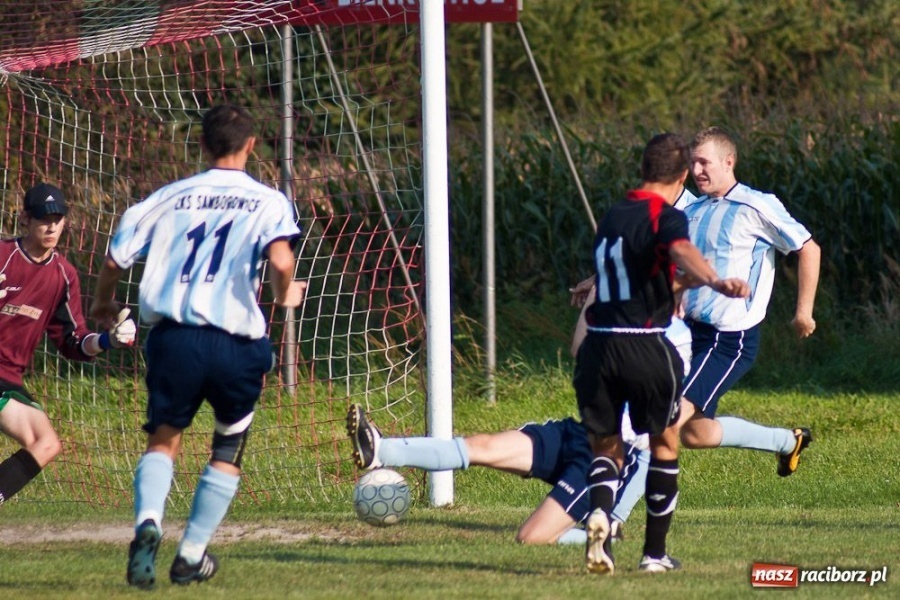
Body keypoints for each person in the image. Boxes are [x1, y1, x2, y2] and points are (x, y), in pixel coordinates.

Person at [90, 104, 305, 589]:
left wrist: (103, 305)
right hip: (235, 343)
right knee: (228, 444)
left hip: (175, 339)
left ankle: (148, 522)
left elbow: (113, 259)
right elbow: (280, 257)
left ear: (202, 145)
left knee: (164, 438)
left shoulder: (166, 198)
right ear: (251, 146)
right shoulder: (268, 200)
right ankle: (190, 553)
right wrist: (283, 291)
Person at [573, 133, 749, 576]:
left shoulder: (615, 214)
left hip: (598, 347)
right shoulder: (665, 216)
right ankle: (654, 554)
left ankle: (599, 516)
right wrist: (714, 280)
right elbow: (680, 250)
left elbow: (646, 274)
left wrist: (683, 282)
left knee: (606, 446)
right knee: (664, 443)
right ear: (683, 174)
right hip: (646, 346)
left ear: (642, 170)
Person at [673, 126, 820, 473]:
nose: (697, 172)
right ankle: (787, 441)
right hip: (687, 333)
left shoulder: (756, 205)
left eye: (705, 163)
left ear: (729, 162)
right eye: (693, 164)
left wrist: (804, 313)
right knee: (696, 434)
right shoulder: (694, 210)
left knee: (664, 420)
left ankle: (607, 515)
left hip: (727, 339)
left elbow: (809, 249)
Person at [0, 183, 135, 505]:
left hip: (8, 379)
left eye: (57, 218)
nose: (51, 226)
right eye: (44, 218)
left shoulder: (63, 275)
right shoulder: (3, 256)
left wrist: (108, 340)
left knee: (46, 443)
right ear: (26, 220)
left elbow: (74, 342)